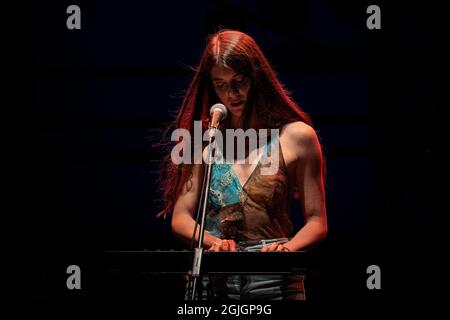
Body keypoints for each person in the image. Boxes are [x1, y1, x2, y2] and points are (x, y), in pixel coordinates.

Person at [157, 29, 327, 300]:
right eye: (220, 84)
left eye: (239, 81)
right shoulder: (203, 139)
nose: (231, 93)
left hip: (275, 277)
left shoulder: (297, 137)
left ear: (257, 78)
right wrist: (215, 243)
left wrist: (288, 250)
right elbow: (181, 218)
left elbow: (317, 221)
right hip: (216, 277)